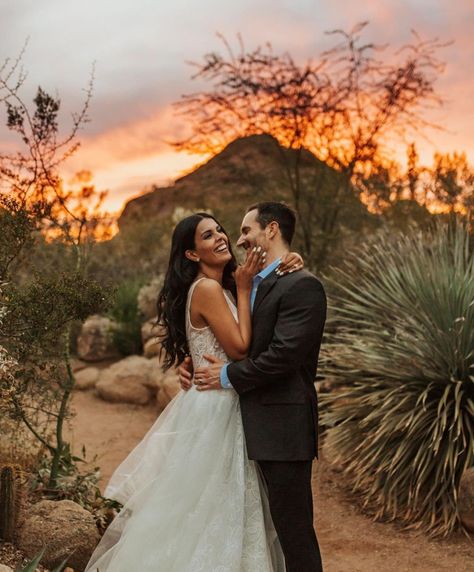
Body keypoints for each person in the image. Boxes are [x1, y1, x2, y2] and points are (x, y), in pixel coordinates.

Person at [84, 211, 303, 572]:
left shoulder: (221, 286)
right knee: (213, 508)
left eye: (221, 229)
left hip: (215, 404)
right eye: (207, 236)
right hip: (216, 410)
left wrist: (285, 263)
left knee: (210, 510)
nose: (220, 237)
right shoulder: (208, 288)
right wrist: (246, 287)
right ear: (191, 254)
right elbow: (240, 349)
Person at [179, 202, 327, 572]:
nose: (237, 238)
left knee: (293, 532)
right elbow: (228, 332)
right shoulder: (247, 282)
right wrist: (192, 361)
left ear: (271, 230)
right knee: (249, 526)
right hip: (241, 426)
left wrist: (226, 375)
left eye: (246, 231)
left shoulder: (302, 284)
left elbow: (282, 356)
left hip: (282, 429)